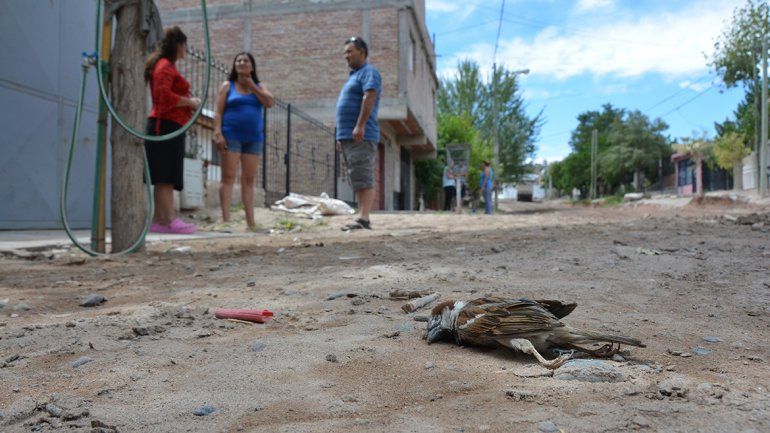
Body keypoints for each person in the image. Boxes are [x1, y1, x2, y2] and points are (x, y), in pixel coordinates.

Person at [144, 26, 200, 234]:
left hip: (167, 125)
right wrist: (190, 102)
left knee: (164, 176)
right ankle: (167, 220)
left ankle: (160, 220)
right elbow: (164, 96)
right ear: (179, 45)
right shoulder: (165, 67)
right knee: (165, 177)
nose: (186, 49)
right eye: (185, 45)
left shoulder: (164, 66)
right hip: (164, 125)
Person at [213, 52, 275, 230]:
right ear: (234, 65)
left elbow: (270, 102)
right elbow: (218, 111)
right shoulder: (227, 86)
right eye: (238, 60)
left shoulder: (259, 87)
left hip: (253, 138)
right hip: (231, 135)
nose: (241, 62)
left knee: (249, 179)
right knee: (228, 177)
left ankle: (251, 223)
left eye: (245, 61)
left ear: (252, 67)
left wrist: (253, 87)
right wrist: (218, 133)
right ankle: (225, 222)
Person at [335, 37, 381, 231]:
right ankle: (361, 216)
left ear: (362, 52)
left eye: (350, 51)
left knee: (363, 175)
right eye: (345, 52)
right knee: (356, 176)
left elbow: (369, 95)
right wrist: (341, 136)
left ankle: (364, 218)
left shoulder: (369, 72)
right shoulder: (354, 76)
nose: (346, 56)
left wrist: (360, 125)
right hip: (349, 137)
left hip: (361, 135)